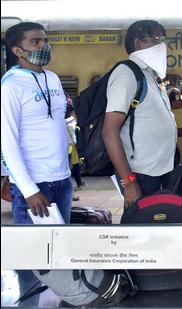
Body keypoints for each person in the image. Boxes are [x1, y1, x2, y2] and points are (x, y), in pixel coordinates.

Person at [1, 21, 73, 306]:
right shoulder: (10, 86)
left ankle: (58, 301)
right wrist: (28, 189)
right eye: (35, 43)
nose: (44, 47)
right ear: (18, 50)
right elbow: (6, 142)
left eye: (44, 41)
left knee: (59, 253)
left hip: (61, 180)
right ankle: (29, 305)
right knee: (32, 257)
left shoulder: (53, 78)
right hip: (34, 185)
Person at [103, 20, 178, 208]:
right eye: (155, 39)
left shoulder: (149, 76)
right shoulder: (127, 74)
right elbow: (109, 131)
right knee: (142, 229)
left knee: (159, 226)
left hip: (159, 170)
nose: (161, 45)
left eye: (162, 39)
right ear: (138, 43)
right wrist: (128, 181)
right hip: (141, 174)